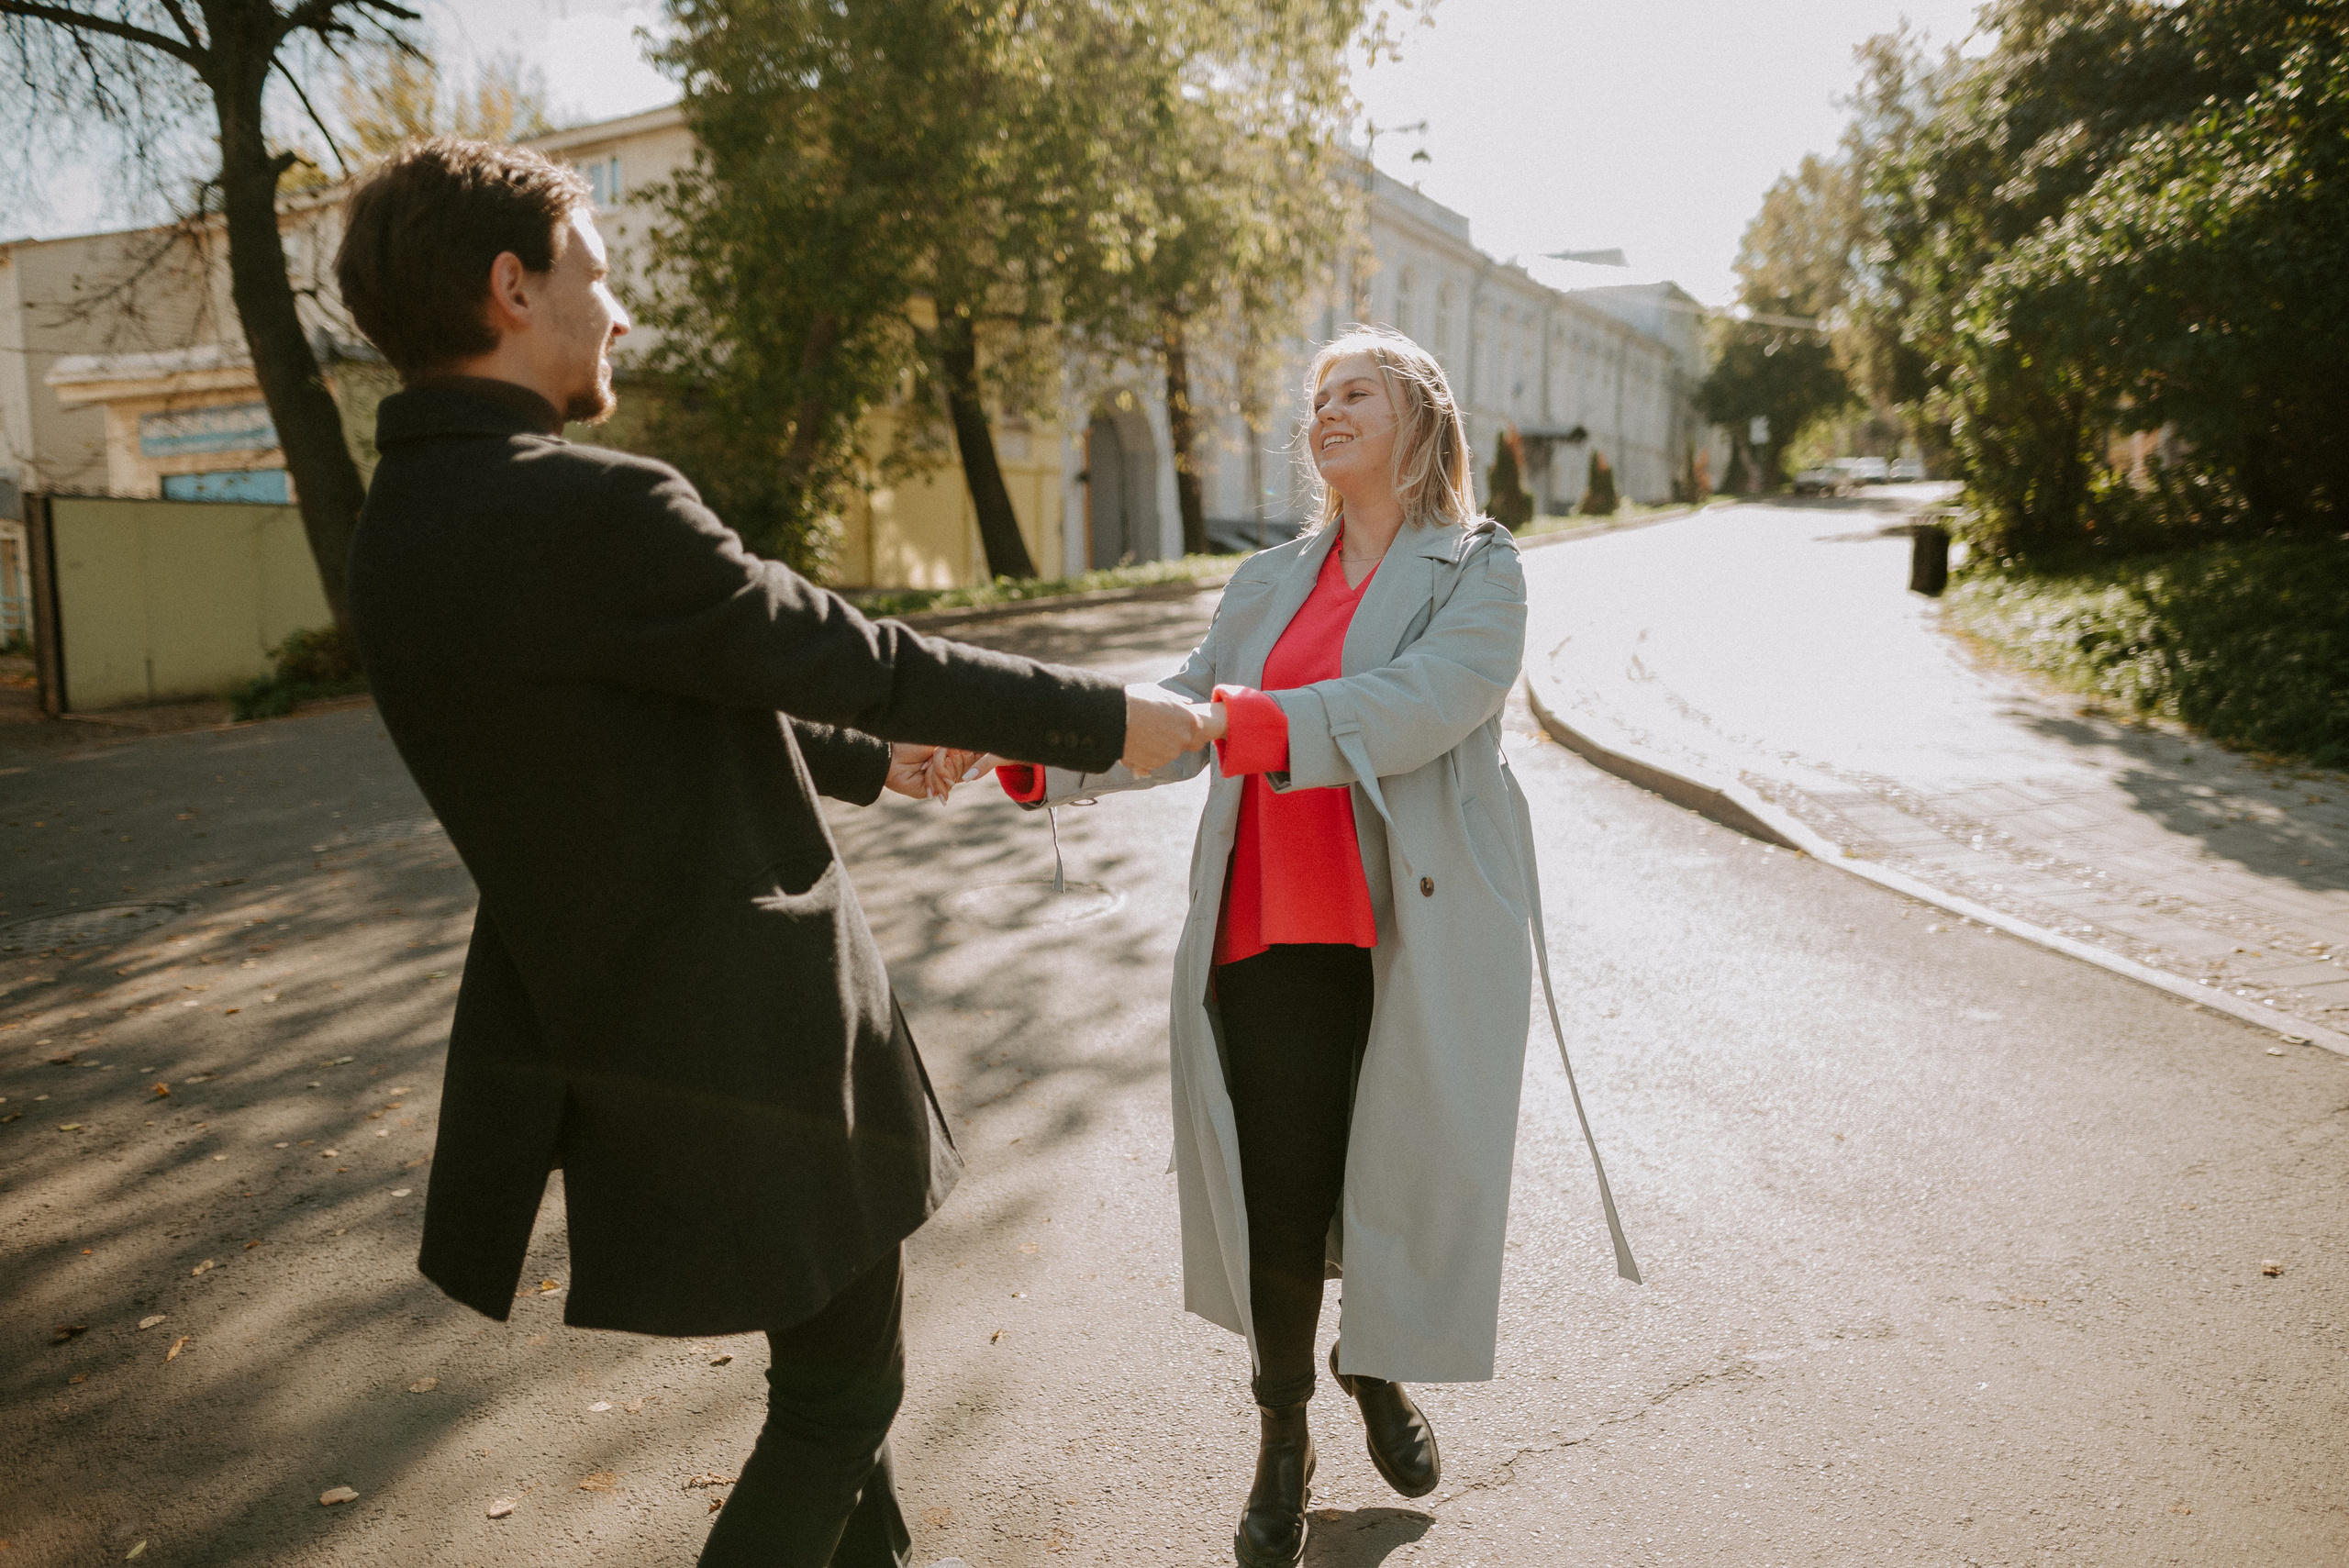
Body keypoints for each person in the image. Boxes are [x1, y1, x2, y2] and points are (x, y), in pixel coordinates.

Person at [330, 138, 1208, 1568]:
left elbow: (640, 707)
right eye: (595, 275)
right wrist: (1113, 719)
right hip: (761, 1030)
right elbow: (858, 656)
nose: (620, 314)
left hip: (617, 1030)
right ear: (511, 288)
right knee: (840, 1400)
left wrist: (873, 760)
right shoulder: (594, 508)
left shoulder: (398, 536)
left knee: (836, 1386)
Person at [976, 327, 1638, 1567]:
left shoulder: (1477, 566)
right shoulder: (1267, 580)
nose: (1325, 411)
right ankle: (1283, 1431)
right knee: (1279, 1203)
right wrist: (1033, 744)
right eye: (1317, 396)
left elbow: (1429, 701)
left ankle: (1373, 1362)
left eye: (1356, 392)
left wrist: (1260, 723)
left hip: (1408, 934)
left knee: (1390, 1176)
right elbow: (1179, 709)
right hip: (1269, 926)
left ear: (1420, 418)